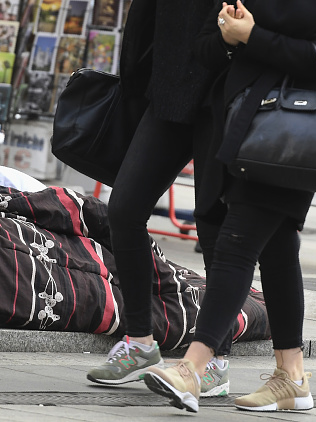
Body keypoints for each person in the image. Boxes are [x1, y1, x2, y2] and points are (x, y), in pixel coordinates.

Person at [141, 0, 316, 413]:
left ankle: (192, 368)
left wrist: (252, 38)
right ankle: (291, 376)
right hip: (241, 130)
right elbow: (204, 48)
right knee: (277, 253)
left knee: (235, 246)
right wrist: (227, 37)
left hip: (291, 138)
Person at [86, 0, 233, 397]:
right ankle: (140, 343)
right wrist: (133, 86)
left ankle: (214, 361)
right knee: (124, 209)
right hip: (168, 91)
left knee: (215, 230)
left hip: (223, 97)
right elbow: (143, 18)